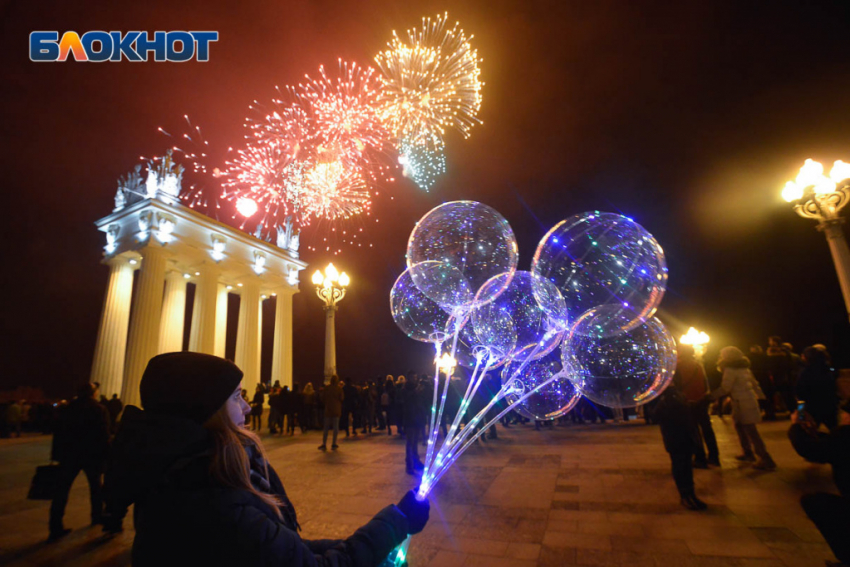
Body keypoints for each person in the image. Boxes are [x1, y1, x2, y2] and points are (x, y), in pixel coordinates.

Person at [102, 352, 429, 566]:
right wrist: (396, 521)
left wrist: (355, 540)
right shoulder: (213, 500)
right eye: (236, 397)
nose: (246, 407)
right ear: (207, 410)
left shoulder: (182, 475)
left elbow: (280, 550)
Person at [788, 405, 850, 566]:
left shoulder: (846, 434)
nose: (843, 417)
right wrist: (813, 434)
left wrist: (795, 426)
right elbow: (831, 446)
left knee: (816, 504)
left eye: (845, 414)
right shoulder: (842, 437)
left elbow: (810, 450)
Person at [49, 382, 111, 541]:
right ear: (93, 393)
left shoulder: (67, 409)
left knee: (61, 491)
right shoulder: (99, 409)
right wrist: (106, 456)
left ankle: (55, 525)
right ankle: (96, 516)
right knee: (96, 488)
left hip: (69, 455)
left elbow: (58, 432)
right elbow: (103, 436)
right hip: (91, 456)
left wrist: (56, 455)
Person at [712, 346, 777, 470]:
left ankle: (765, 458)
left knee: (751, 430)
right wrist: (762, 398)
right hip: (748, 401)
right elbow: (755, 384)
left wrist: (710, 396)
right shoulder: (744, 369)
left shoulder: (730, 370)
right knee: (740, 427)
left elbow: (726, 388)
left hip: (741, 403)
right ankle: (747, 453)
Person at [653, 383, 707, 510]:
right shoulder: (667, 399)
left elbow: (657, 417)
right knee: (681, 466)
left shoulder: (673, 396)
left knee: (685, 466)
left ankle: (689, 494)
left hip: (681, 437)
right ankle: (686, 495)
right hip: (678, 438)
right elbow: (658, 416)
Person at [675, 345, 720, 467]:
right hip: (701, 400)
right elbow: (705, 382)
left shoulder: (678, 365)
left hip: (688, 401)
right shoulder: (697, 365)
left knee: (693, 430)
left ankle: (700, 458)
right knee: (707, 429)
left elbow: (677, 384)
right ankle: (714, 456)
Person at [796, 346, 839, 431]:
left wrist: (801, 414)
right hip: (829, 405)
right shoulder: (828, 370)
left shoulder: (805, 373)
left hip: (812, 407)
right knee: (835, 430)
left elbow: (800, 394)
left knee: (810, 433)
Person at [403, 376, 424, 475]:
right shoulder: (409, 394)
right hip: (411, 421)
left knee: (413, 443)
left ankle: (414, 462)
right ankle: (410, 464)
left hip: (413, 420)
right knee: (411, 443)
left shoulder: (411, 394)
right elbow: (410, 407)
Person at [319, 375, 344, 451]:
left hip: (328, 410)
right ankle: (334, 443)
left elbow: (322, 398)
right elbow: (342, 398)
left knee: (326, 428)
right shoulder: (339, 389)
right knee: (335, 428)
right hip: (336, 410)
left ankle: (324, 443)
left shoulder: (327, 388)